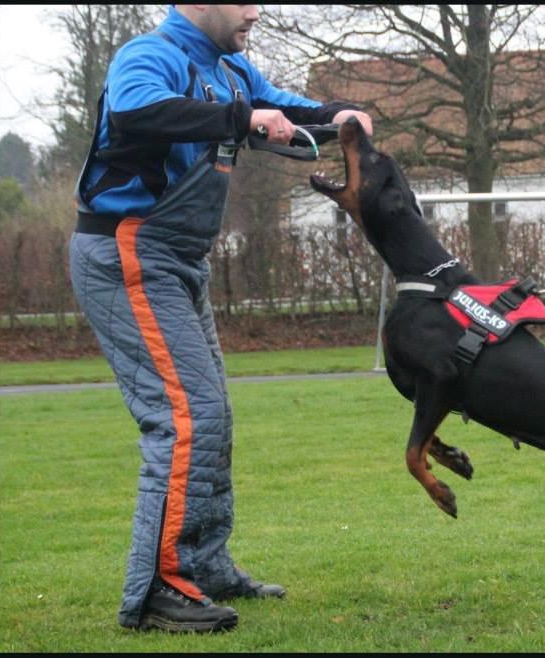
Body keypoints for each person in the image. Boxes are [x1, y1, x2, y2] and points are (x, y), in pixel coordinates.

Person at [69, 5, 372, 633]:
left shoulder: (230, 69)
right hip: (129, 247)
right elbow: (135, 111)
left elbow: (281, 105)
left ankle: (203, 568)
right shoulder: (150, 55)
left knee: (214, 416)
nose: (255, 11)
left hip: (179, 258)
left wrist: (335, 114)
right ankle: (155, 591)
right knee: (186, 419)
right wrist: (242, 118)